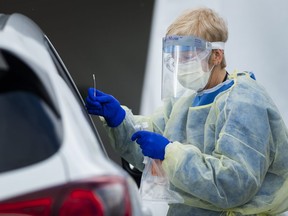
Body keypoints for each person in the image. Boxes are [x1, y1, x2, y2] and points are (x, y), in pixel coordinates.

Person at [86, 7, 288, 215]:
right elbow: (149, 157)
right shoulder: (185, 103)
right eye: (176, 57)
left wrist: (170, 153)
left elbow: (234, 185)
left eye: (188, 56)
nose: (180, 65)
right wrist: (118, 120)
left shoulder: (245, 101)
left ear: (216, 55)